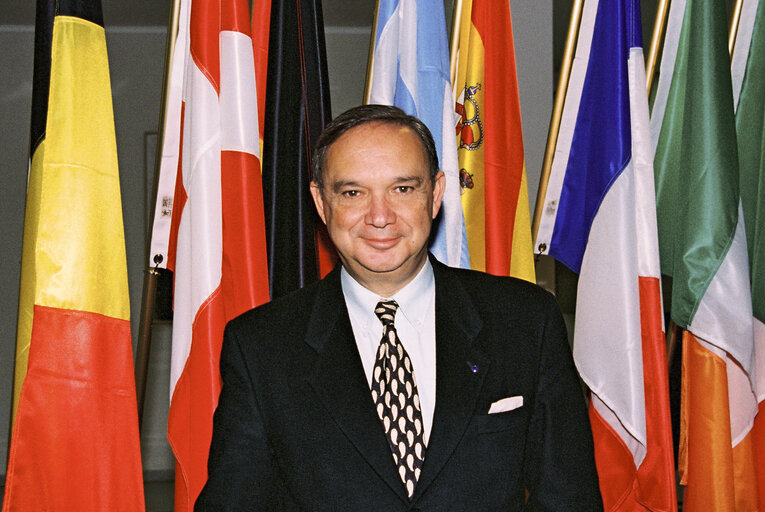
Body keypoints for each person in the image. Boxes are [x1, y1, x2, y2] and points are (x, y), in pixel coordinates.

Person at [195, 105, 603, 511]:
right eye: (353, 193)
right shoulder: (261, 346)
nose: (380, 217)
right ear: (321, 203)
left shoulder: (525, 321)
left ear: (436, 193)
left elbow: (570, 498)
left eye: (403, 189)